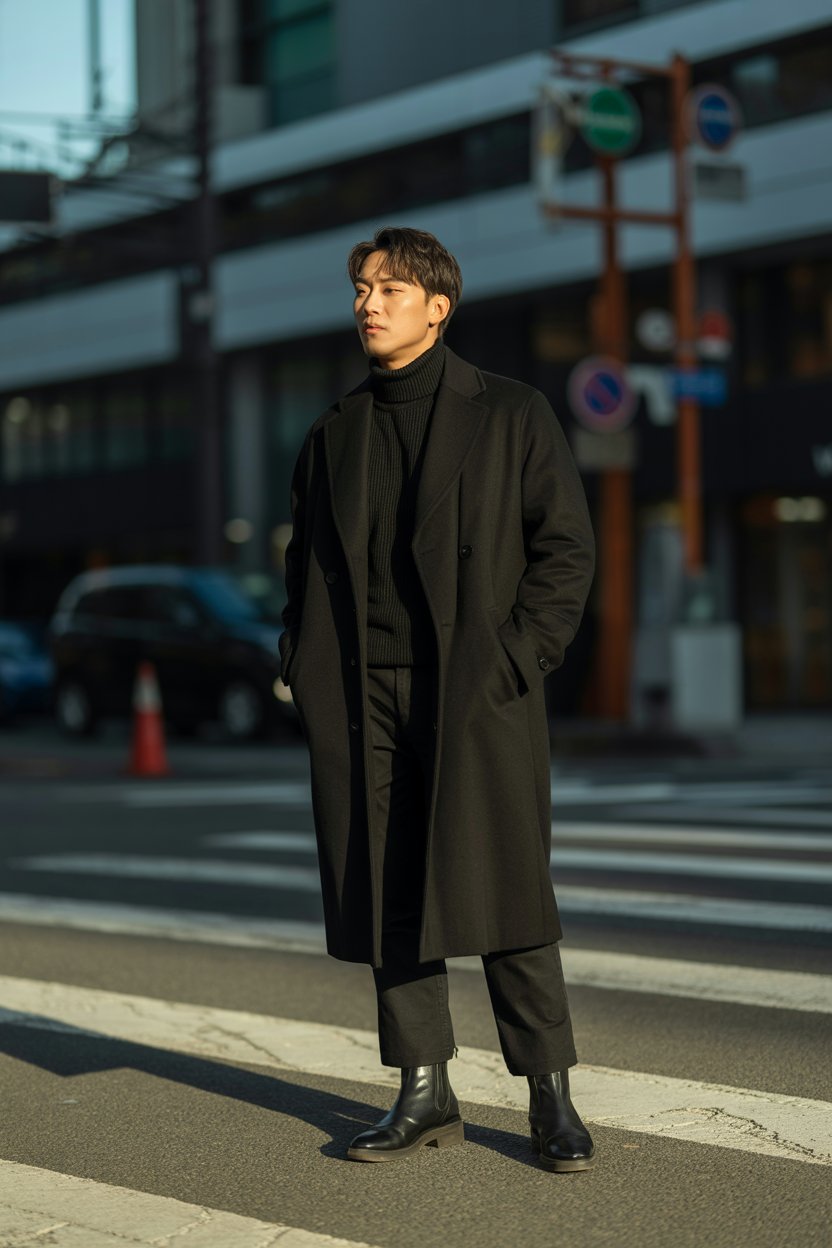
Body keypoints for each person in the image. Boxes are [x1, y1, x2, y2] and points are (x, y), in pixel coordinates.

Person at [279, 226, 596, 1172]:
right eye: (361, 289)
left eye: (387, 288)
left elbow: (564, 552)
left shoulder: (510, 413)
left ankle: (549, 1094)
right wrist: (298, 657)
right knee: (386, 884)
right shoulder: (335, 430)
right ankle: (423, 1089)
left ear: (437, 307)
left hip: (472, 691)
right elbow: (305, 562)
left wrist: (515, 659)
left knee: (507, 889)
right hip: (360, 694)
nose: (368, 304)